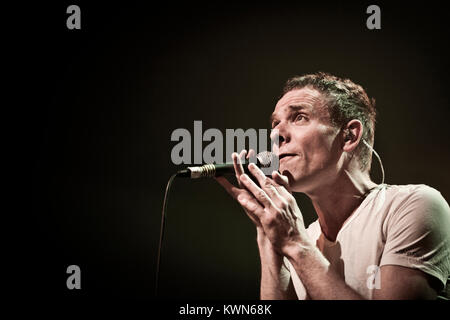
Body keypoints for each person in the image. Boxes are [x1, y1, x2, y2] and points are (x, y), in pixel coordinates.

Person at [216, 72, 450, 300]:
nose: (276, 134)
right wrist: (266, 233)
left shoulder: (413, 205)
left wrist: (295, 244)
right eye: (275, 123)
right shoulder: (300, 235)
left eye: (299, 117)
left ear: (349, 136)